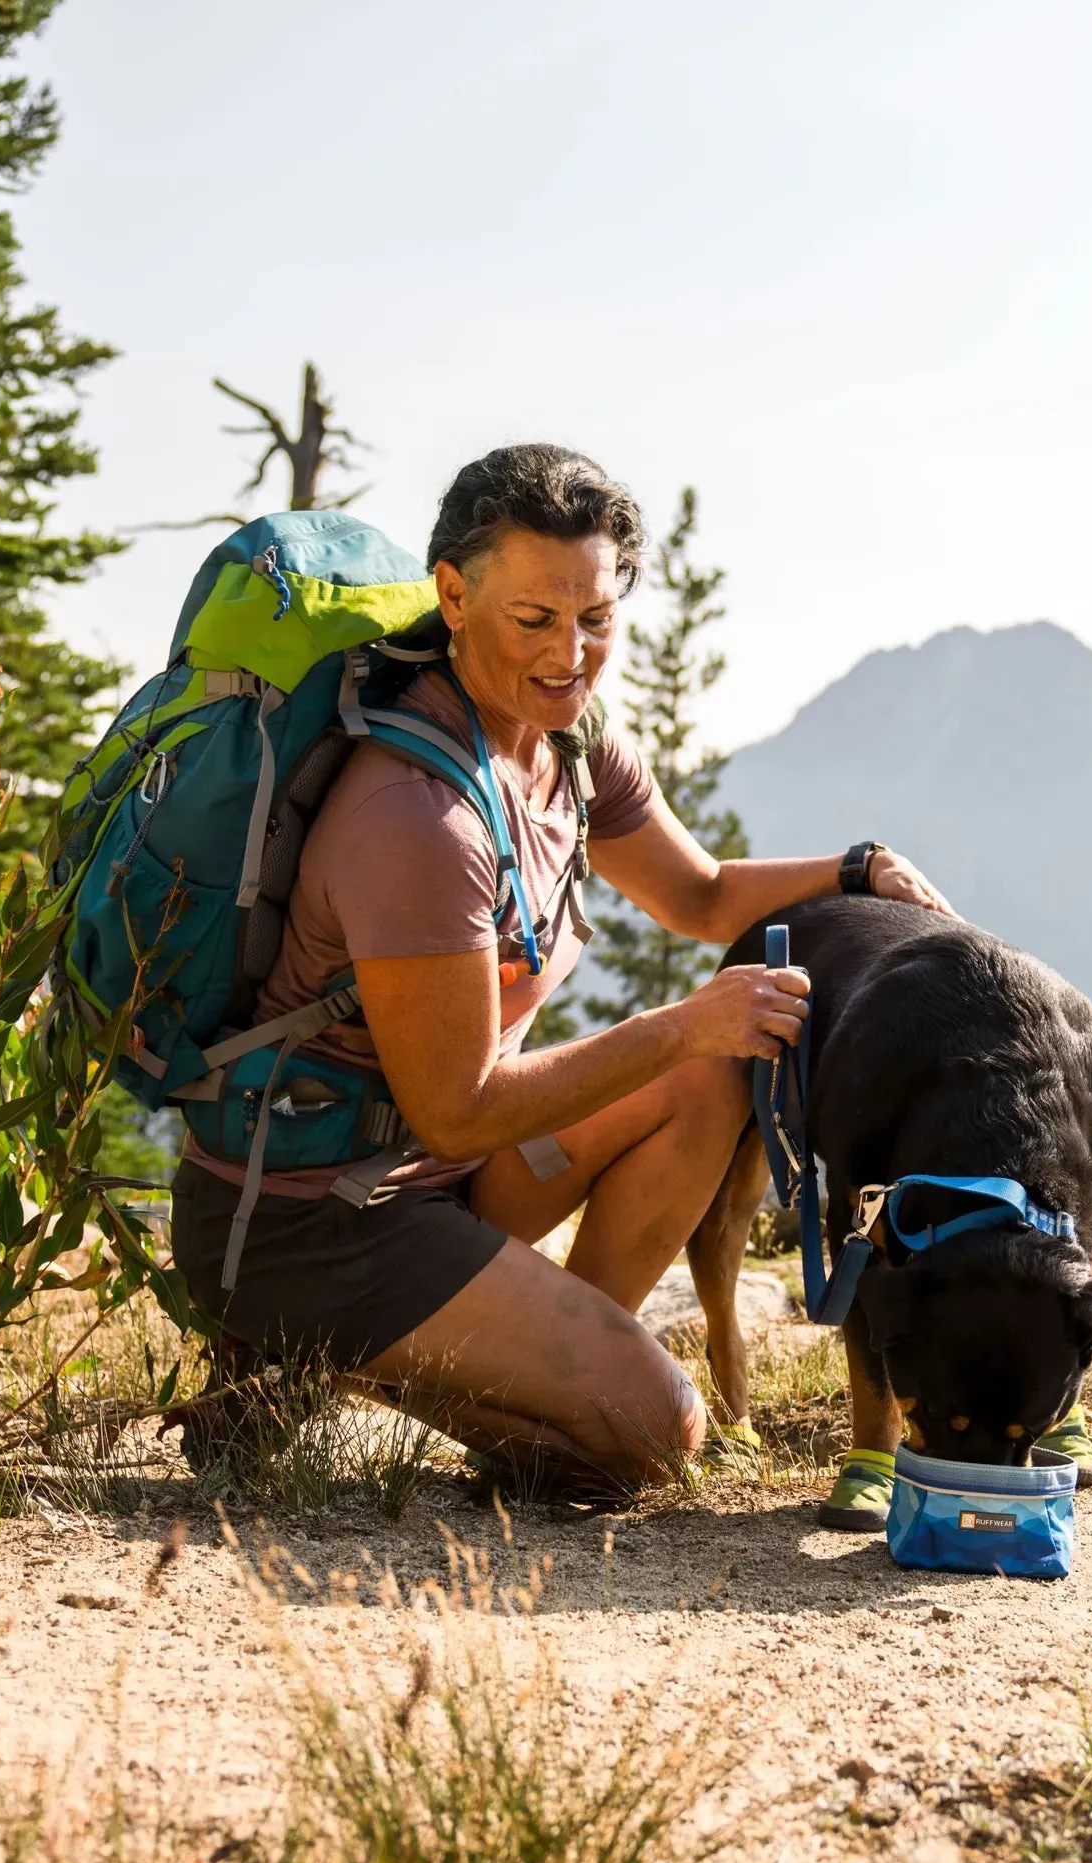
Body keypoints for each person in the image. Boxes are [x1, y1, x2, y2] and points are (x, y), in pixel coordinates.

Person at [170, 444, 951, 1493]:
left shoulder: (569, 750)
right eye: (533, 619)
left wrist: (857, 866)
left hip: (426, 1178)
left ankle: (557, 1361)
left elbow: (701, 894)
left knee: (714, 1075)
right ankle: (300, 1363)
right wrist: (681, 1021)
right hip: (313, 1217)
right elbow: (458, 1107)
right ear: (452, 593)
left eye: (595, 618)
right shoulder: (416, 814)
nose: (569, 654)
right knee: (654, 1434)